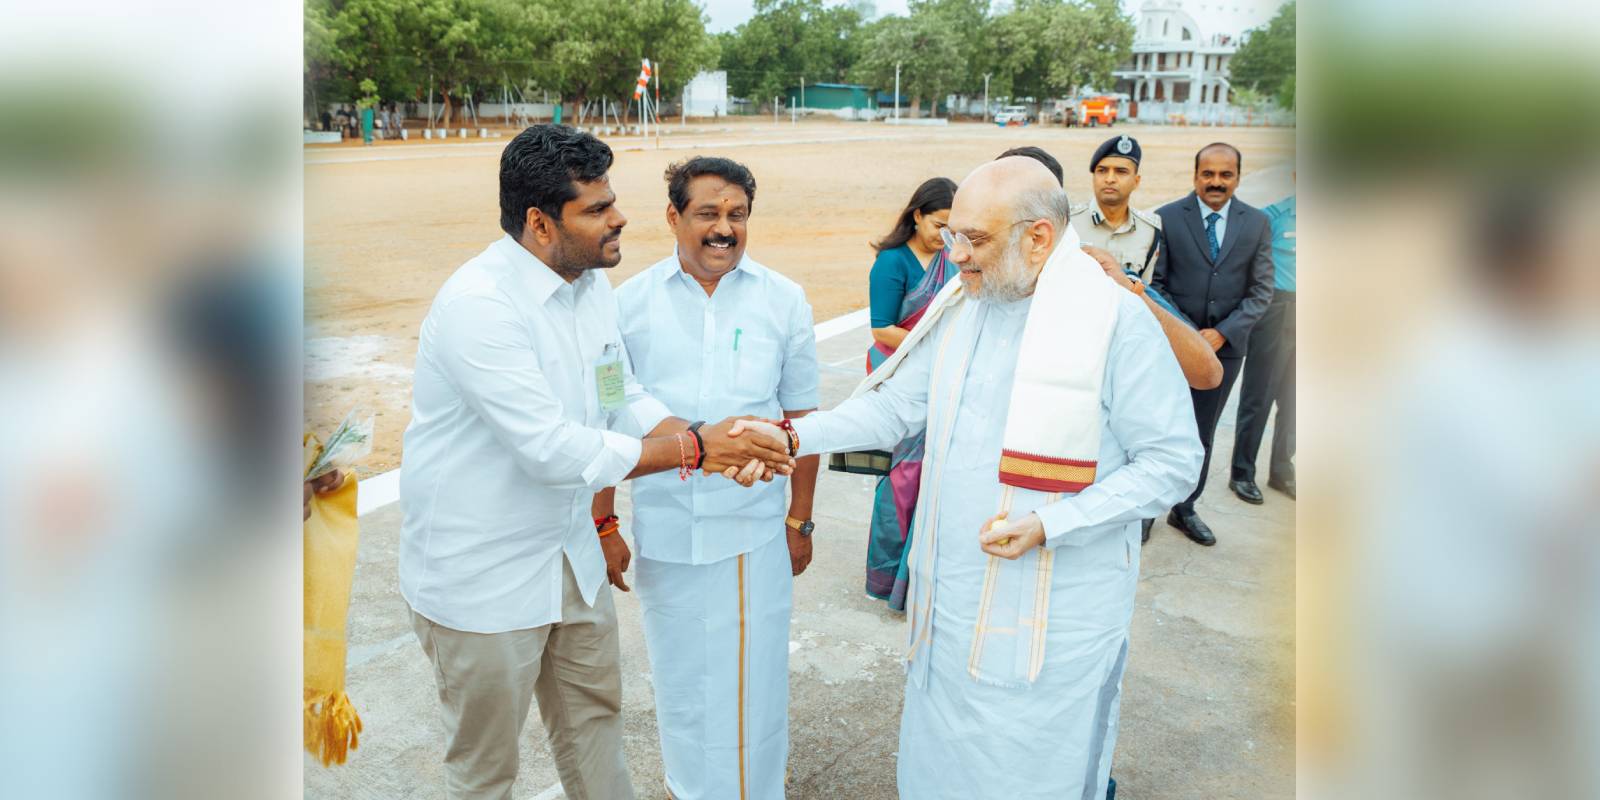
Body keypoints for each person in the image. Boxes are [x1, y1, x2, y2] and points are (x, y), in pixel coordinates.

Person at [730, 156, 1202, 799]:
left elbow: (1172, 463)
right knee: (941, 758)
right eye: (953, 235)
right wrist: (791, 436)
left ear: (1038, 237)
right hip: (949, 596)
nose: (955, 255)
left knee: (1027, 770)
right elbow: (896, 408)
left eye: (974, 239)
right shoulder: (966, 304)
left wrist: (1054, 523)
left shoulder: (1113, 320)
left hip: (1053, 615)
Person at [397, 125, 794, 800]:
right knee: (486, 770)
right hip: (484, 579)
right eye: (597, 208)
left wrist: (709, 440)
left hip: (571, 562)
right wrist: (698, 450)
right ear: (539, 222)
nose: (620, 218)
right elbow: (552, 450)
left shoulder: (589, 288)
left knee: (595, 733)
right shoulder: (480, 306)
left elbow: (620, 397)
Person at [592, 156, 819, 800]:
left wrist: (800, 519)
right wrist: (604, 521)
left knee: (756, 684)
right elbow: (607, 415)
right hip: (667, 531)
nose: (724, 229)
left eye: (737, 215)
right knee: (682, 681)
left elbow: (805, 421)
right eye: (708, 214)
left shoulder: (784, 299)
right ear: (673, 217)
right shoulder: (626, 304)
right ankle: (689, 787)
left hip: (753, 534)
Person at [1151, 142, 1275, 546]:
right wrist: (1188, 334)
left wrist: (1221, 333)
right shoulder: (1167, 218)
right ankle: (1146, 511)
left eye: (1225, 174)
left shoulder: (1256, 223)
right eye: (1208, 174)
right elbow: (1157, 285)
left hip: (1225, 351)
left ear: (1238, 177)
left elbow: (1261, 291)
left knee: (1202, 433)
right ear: (1195, 175)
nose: (1216, 182)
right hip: (1171, 346)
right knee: (1157, 428)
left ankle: (1184, 508)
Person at [863, 176, 958, 609]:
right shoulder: (892, 262)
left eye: (953, 228)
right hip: (900, 375)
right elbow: (882, 328)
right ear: (917, 215)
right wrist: (935, 347)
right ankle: (888, 576)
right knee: (901, 478)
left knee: (935, 475)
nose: (945, 236)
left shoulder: (953, 258)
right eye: (939, 225)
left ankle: (920, 573)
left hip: (943, 378)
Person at [1230, 177, 1296, 504]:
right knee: (1260, 395)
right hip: (1277, 309)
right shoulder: (1272, 217)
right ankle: (1242, 473)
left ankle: (1282, 470)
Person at [1070, 134, 1162, 283]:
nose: (1110, 179)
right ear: (1093, 178)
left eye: (1121, 171)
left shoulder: (1149, 230)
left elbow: (1145, 288)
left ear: (1136, 181)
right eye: (1102, 171)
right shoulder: (1069, 223)